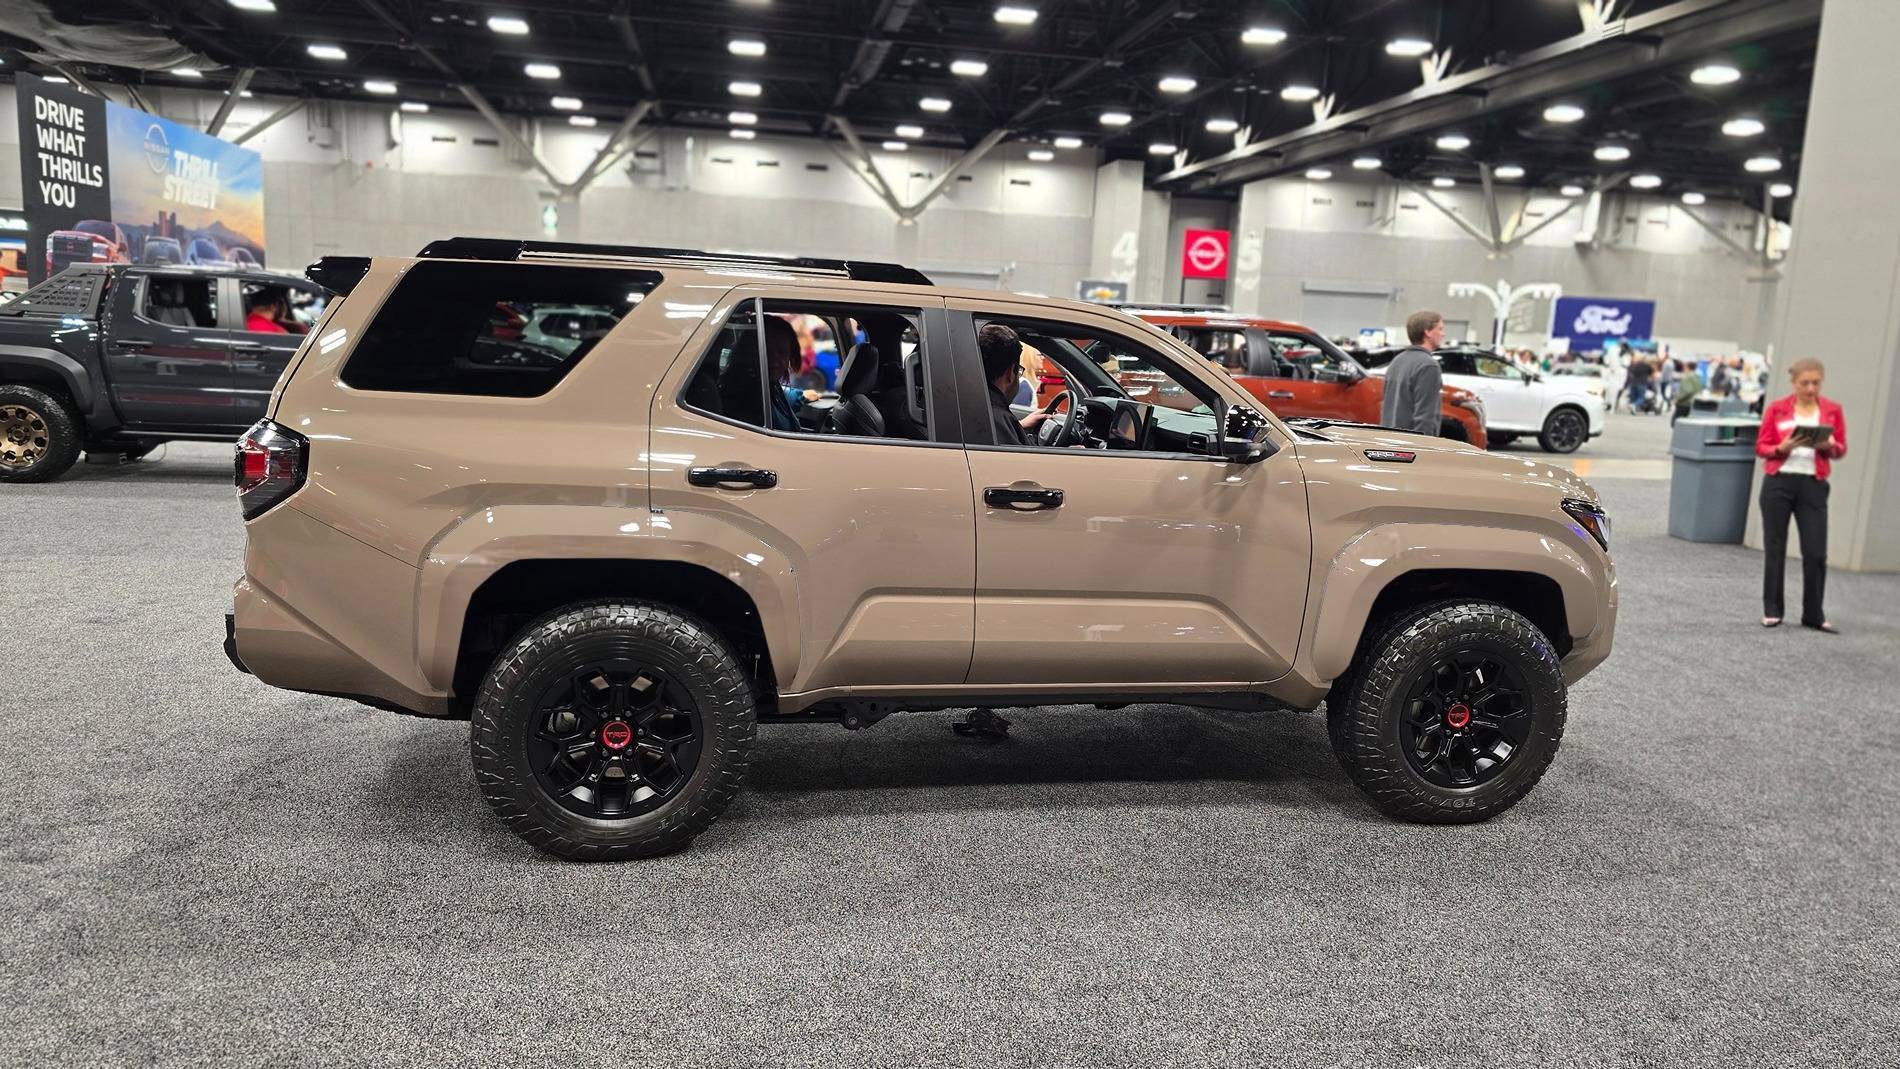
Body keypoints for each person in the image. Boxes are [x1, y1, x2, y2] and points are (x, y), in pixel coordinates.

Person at [1755, 357, 1847, 633]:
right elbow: (1762, 446)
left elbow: (1840, 449)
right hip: (1779, 483)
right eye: (1804, 383)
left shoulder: (1831, 410)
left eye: (1816, 383)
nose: (1810, 388)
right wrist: (1780, 447)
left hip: (1813, 484)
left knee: (1816, 552)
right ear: (1794, 383)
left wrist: (1830, 445)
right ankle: (1772, 610)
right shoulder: (1778, 409)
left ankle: (1813, 614)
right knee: (1775, 547)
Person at [979, 323, 1050, 445]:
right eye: (1019, 371)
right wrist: (1073, 455)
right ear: (1010, 373)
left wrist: (1020, 425)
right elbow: (1027, 463)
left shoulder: (978, 409)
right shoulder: (997, 418)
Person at [1379, 310, 1445, 436]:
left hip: (1389, 440)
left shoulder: (1397, 361)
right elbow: (1425, 416)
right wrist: (1425, 446)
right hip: (1412, 446)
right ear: (1427, 332)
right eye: (1440, 329)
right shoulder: (1428, 366)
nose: (1443, 334)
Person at [763, 315, 821, 432]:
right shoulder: (747, 397)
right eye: (767, 351)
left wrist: (801, 396)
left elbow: (776, 395)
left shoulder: (769, 387)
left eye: (783, 352)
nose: (775, 360)